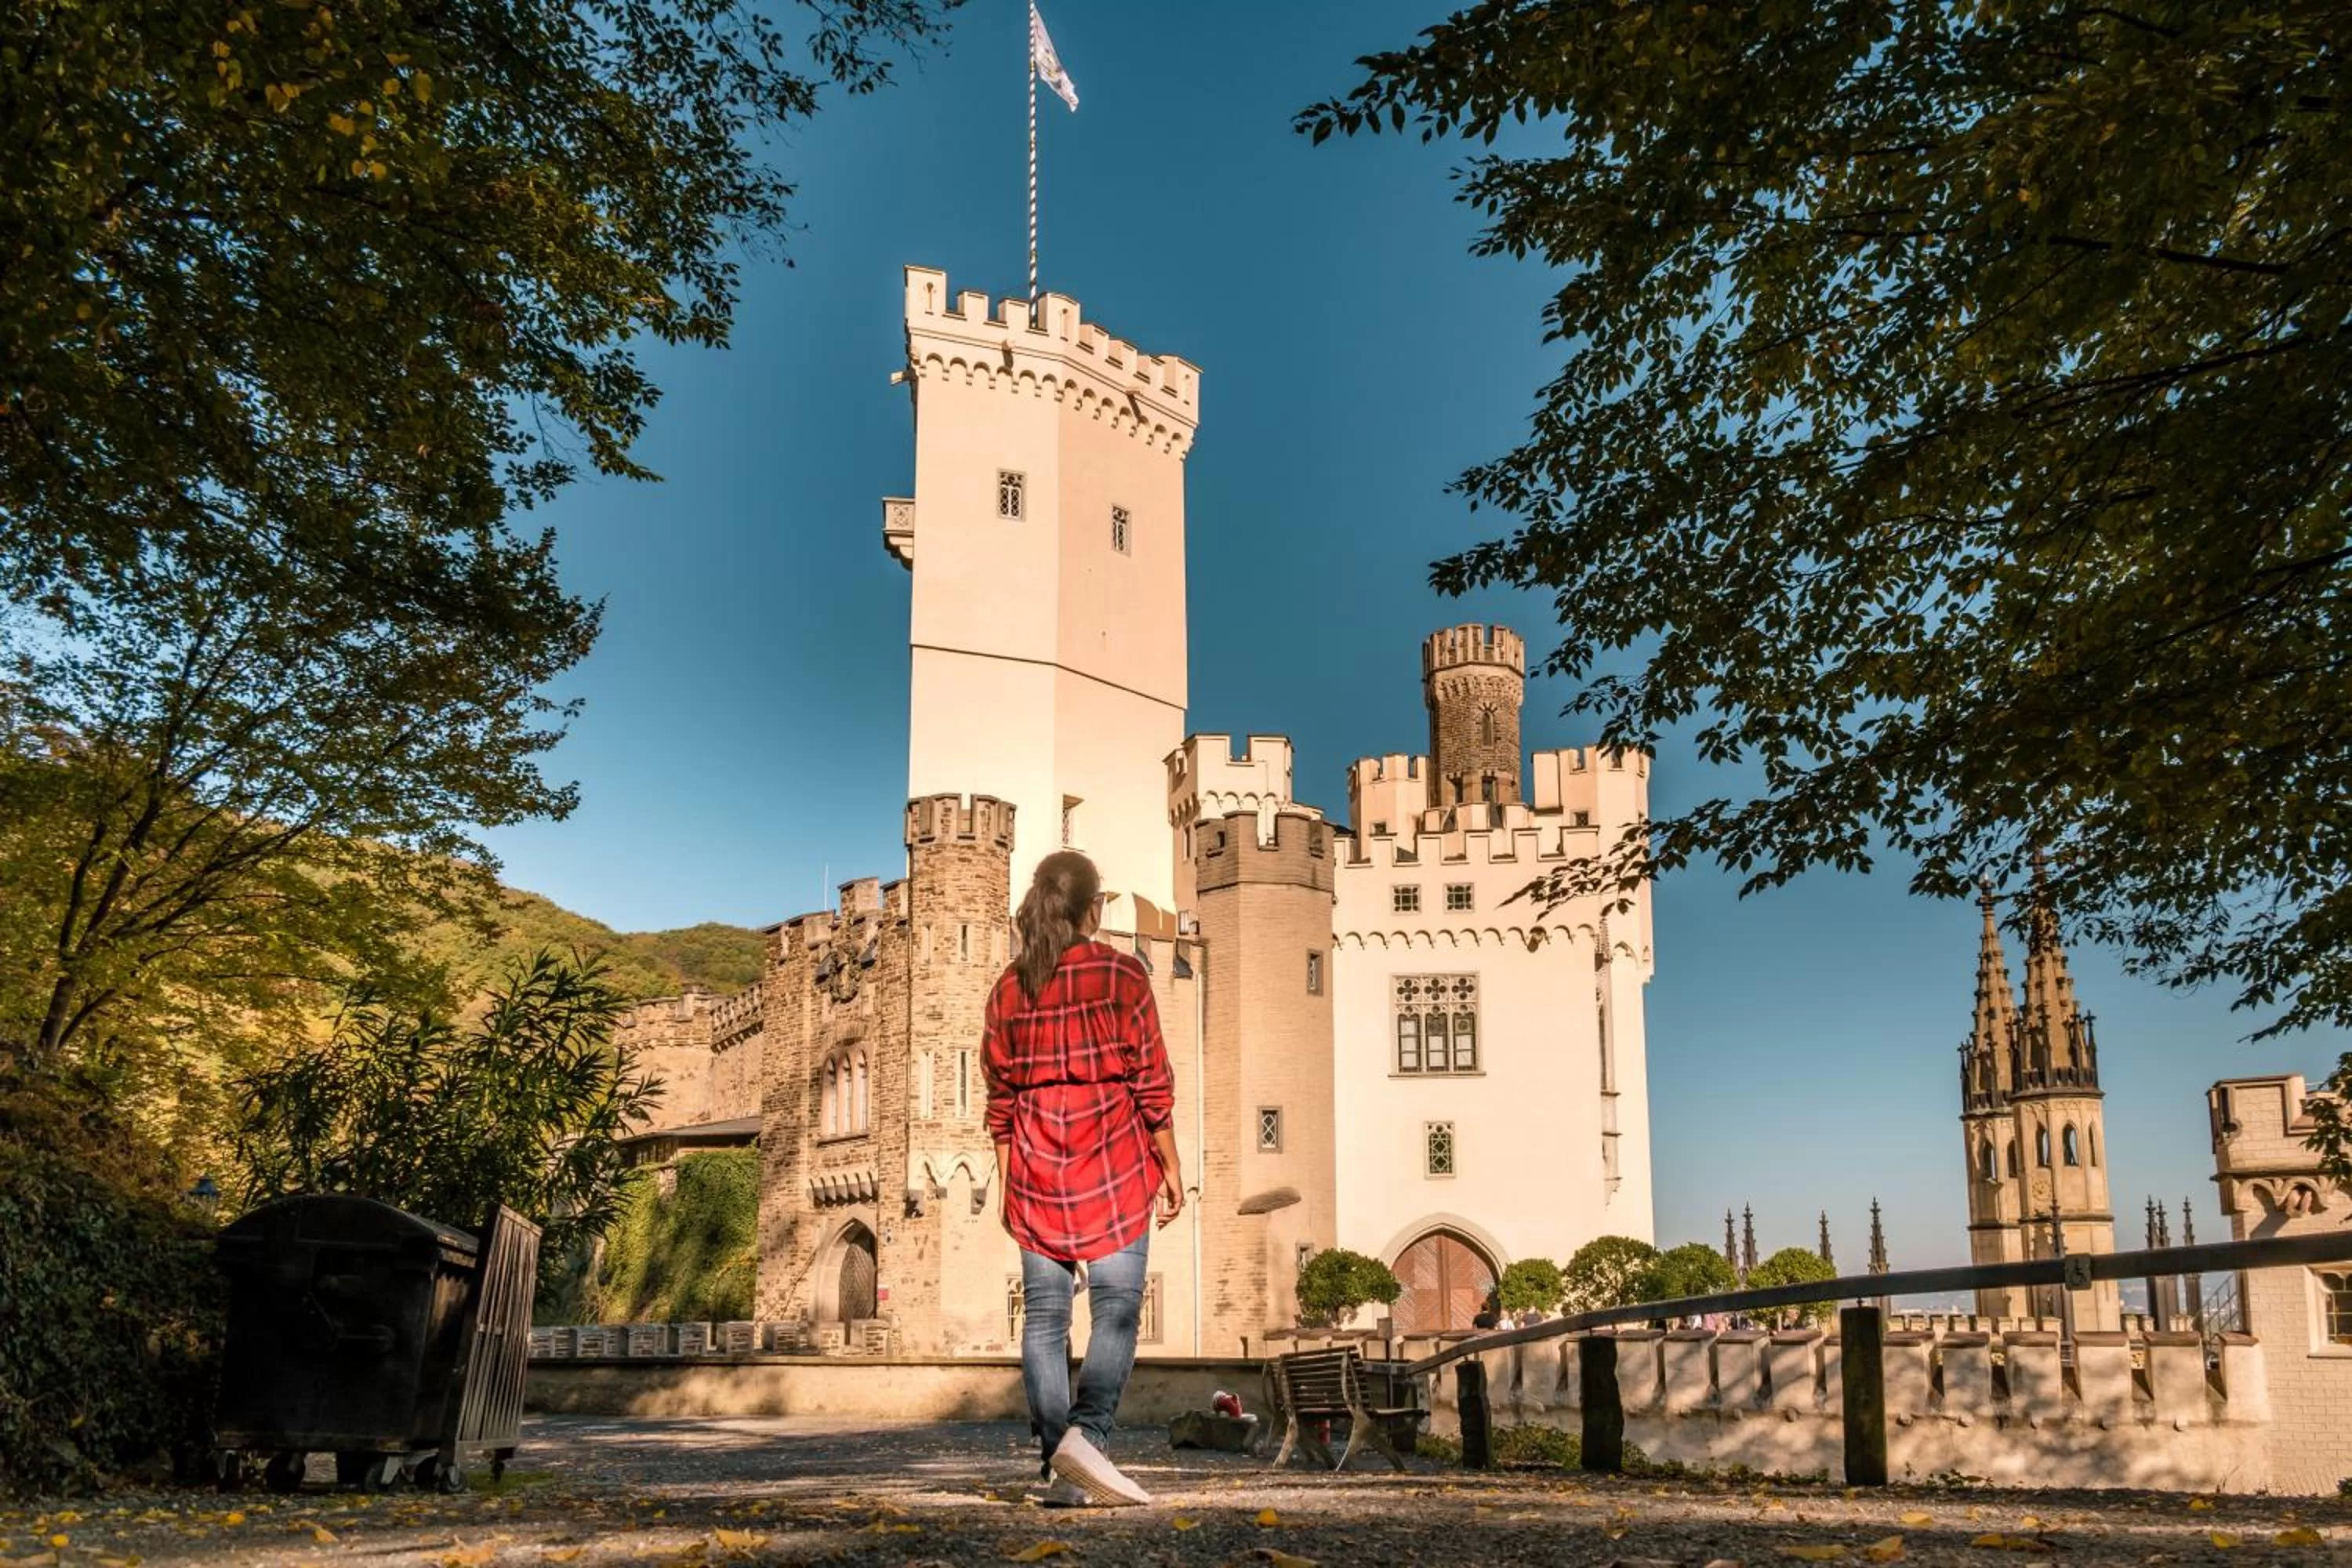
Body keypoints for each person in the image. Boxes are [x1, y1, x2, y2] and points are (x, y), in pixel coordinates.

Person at [984, 850, 1185, 1508]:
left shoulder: (1009, 989)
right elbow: (1151, 1084)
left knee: (1044, 1321)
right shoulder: (1125, 975)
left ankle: (1055, 1463)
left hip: (1039, 1173)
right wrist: (1171, 1165)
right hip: (1116, 1169)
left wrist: (1010, 1187)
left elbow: (1001, 1104)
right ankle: (1088, 1440)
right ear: (1094, 910)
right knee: (1117, 1312)